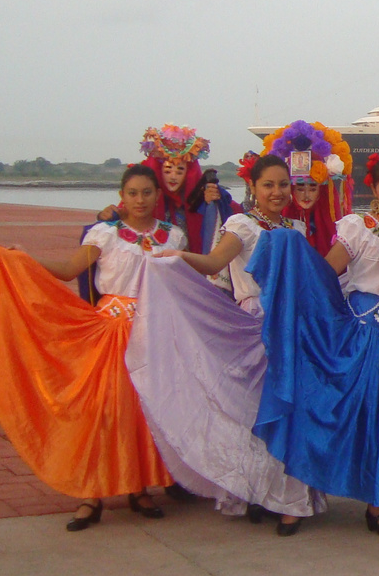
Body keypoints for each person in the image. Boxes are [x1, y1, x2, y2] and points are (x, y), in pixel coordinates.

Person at [249, 155, 379, 539]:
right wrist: (293, 255)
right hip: (369, 334)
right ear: (372, 190)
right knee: (375, 418)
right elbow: (326, 274)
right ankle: (377, 506)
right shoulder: (359, 227)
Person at [0, 165, 177, 528]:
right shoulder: (105, 234)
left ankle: (138, 487)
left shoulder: (174, 237)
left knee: (143, 412)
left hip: (155, 334)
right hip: (111, 333)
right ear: (121, 197)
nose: (139, 200)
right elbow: (67, 269)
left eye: (146, 192)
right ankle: (89, 493)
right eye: (132, 193)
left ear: (158, 195)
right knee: (100, 412)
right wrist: (24, 258)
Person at [130, 154, 324, 536]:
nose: (278, 192)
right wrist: (181, 257)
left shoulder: (297, 228)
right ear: (252, 188)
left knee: (289, 412)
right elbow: (214, 261)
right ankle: (260, 492)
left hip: (293, 329)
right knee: (254, 414)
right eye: (268, 185)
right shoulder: (242, 224)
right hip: (255, 326)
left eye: (284, 184)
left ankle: (291, 502)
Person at [99, 125, 238, 254]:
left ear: (188, 173)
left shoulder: (200, 196)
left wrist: (212, 204)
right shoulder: (148, 198)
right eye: (167, 170)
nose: (173, 177)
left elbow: (235, 217)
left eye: (179, 171)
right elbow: (120, 215)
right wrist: (106, 216)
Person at [260, 120, 354, 254]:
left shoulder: (341, 230)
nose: (306, 195)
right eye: (300, 188)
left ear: (321, 190)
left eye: (312, 188)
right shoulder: (274, 224)